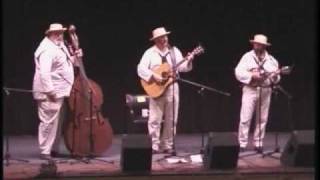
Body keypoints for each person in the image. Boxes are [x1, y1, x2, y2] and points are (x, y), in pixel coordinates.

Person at [137, 27, 194, 154]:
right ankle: (154, 145)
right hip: (156, 89)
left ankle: (167, 144)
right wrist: (154, 76)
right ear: (156, 40)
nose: (165, 39)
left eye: (166, 36)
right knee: (154, 119)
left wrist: (189, 60)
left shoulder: (174, 51)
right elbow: (140, 68)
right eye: (161, 37)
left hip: (172, 87)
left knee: (172, 119)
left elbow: (183, 68)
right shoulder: (149, 53)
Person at [32, 23, 82, 160]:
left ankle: (53, 149)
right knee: (48, 121)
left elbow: (70, 63)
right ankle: (45, 151)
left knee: (57, 122)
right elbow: (44, 73)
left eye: (61, 32)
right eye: (57, 33)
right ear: (50, 34)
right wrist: (50, 91)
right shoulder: (47, 49)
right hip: (50, 93)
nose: (60, 35)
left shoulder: (60, 46)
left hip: (61, 91)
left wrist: (77, 57)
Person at [235, 34, 281, 153]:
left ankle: (259, 142)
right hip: (250, 89)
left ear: (264, 46)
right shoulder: (247, 57)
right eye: (255, 43)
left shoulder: (271, 60)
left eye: (258, 44)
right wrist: (251, 75)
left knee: (262, 118)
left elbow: (276, 78)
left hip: (265, 89)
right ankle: (242, 143)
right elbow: (238, 72)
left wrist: (275, 77)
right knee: (245, 117)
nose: (255, 45)